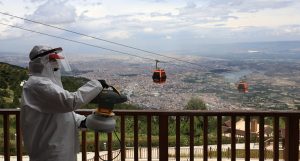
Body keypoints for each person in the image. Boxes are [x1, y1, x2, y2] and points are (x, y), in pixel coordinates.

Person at [20, 45, 109, 161]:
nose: (56, 63)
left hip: (58, 149)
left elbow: (61, 113)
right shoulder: (38, 84)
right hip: (50, 152)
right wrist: (96, 84)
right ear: (42, 62)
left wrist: (82, 121)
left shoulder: (45, 84)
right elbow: (70, 102)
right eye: (53, 59)